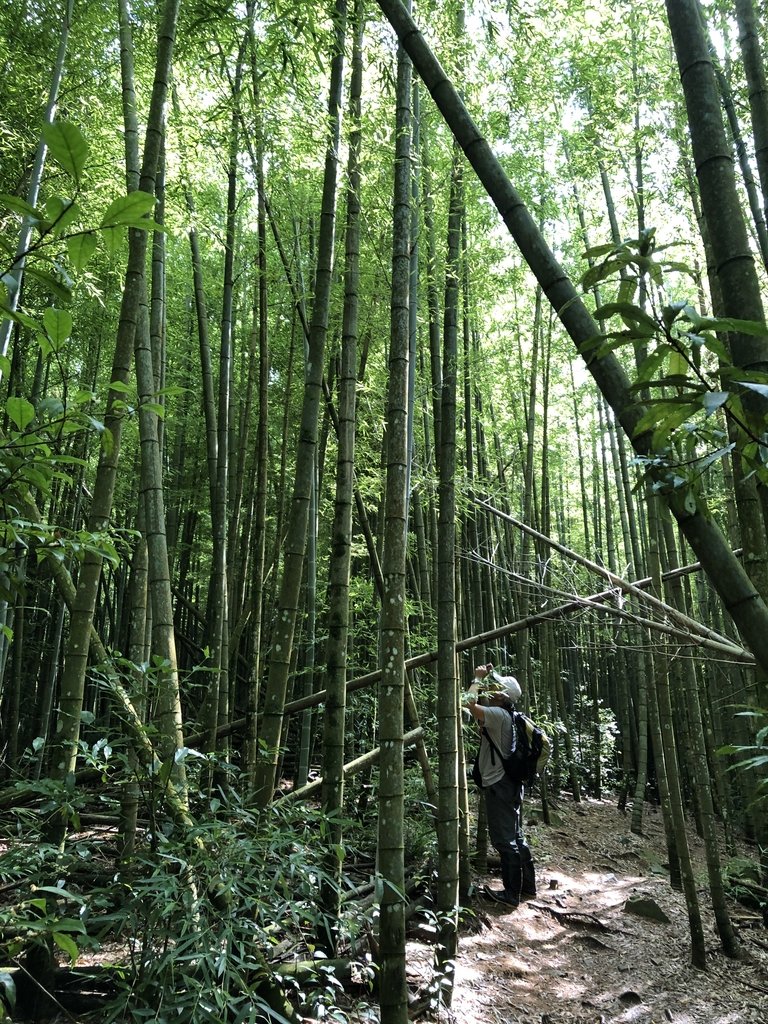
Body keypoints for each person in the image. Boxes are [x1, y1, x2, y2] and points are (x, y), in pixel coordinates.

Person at [465, 663, 536, 908]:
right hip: (512, 783)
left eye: (496, 689)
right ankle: (527, 887)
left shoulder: (497, 715)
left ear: (502, 696)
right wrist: (489, 677)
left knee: (505, 840)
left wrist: (477, 677)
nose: (491, 690)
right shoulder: (509, 715)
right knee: (516, 836)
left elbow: (467, 703)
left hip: (499, 784)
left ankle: (511, 894)